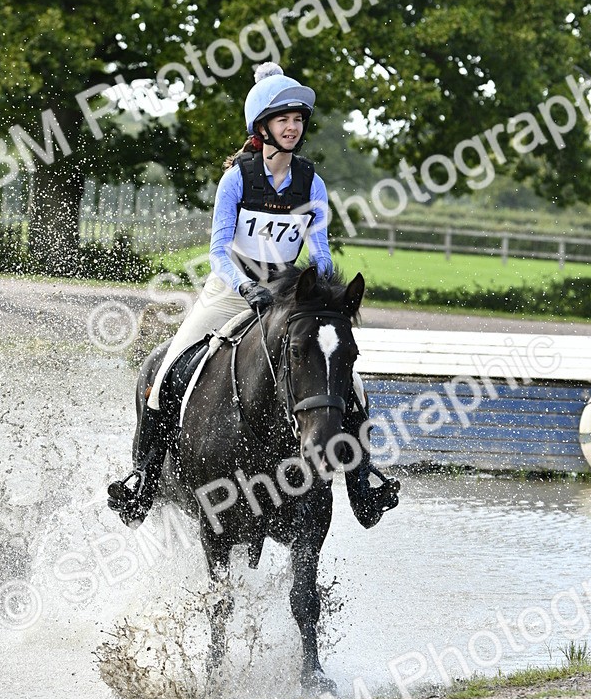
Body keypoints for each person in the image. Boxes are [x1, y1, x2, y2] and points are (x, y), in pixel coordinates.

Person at [108, 62, 399, 526]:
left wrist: (322, 297)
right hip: (229, 289)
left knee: (352, 384)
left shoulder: (311, 182)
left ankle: (364, 483)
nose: (292, 126)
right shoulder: (237, 178)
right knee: (166, 371)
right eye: (283, 119)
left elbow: (320, 253)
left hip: (288, 296)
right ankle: (142, 478)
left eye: (298, 119)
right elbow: (219, 249)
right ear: (262, 127)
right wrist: (246, 287)